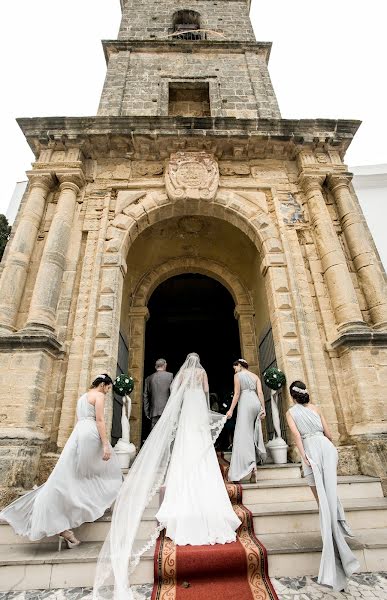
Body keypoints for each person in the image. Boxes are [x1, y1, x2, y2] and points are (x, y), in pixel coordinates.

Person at [93, 353, 240, 600]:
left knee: (183, 445)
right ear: (199, 362)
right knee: (200, 443)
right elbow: (205, 393)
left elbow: (175, 391)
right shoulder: (202, 374)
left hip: (185, 412)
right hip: (197, 412)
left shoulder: (180, 375)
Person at [0, 374, 122, 550]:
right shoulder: (99, 395)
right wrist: (105, 444)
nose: (108, 391)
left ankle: (63, 520)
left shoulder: (82, 396)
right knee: (104, 470)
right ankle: (89, 506)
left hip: (78, 434)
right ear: (103, 384)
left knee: (70, 474)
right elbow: (100, 420)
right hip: (90, 434)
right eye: (108, 387)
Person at [286, 380, 360, 591]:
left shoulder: (291, 413)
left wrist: (304, 456)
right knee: (330, 494)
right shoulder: (317, 408)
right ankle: (338, 530)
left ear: (292, 396)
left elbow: (296, 435)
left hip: (311, 452)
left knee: (322, 502)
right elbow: (329, 434)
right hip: (327, 450)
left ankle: (335, 548)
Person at [226, 358, 266, 482]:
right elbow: (260, 392)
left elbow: (237, 394)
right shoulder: (255, 376)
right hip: (255, 402)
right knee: (254, 432)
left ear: (239, 365)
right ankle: (254, 467)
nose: (235, 370)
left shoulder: (238, 375)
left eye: (235, 368)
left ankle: (251, 467)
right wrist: (263, 408)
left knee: (243, 435)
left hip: (246, 403)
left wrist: (231, 410)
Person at [143, 358, 173, 429]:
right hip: (167, 410)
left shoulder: (148, 379)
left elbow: (145, 396)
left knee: (154, 434)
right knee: (166, 432)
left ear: (156, 366)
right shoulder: (170, 376)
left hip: (154, 411)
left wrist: (146, 411)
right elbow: (173, 393)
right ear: (165, 365)